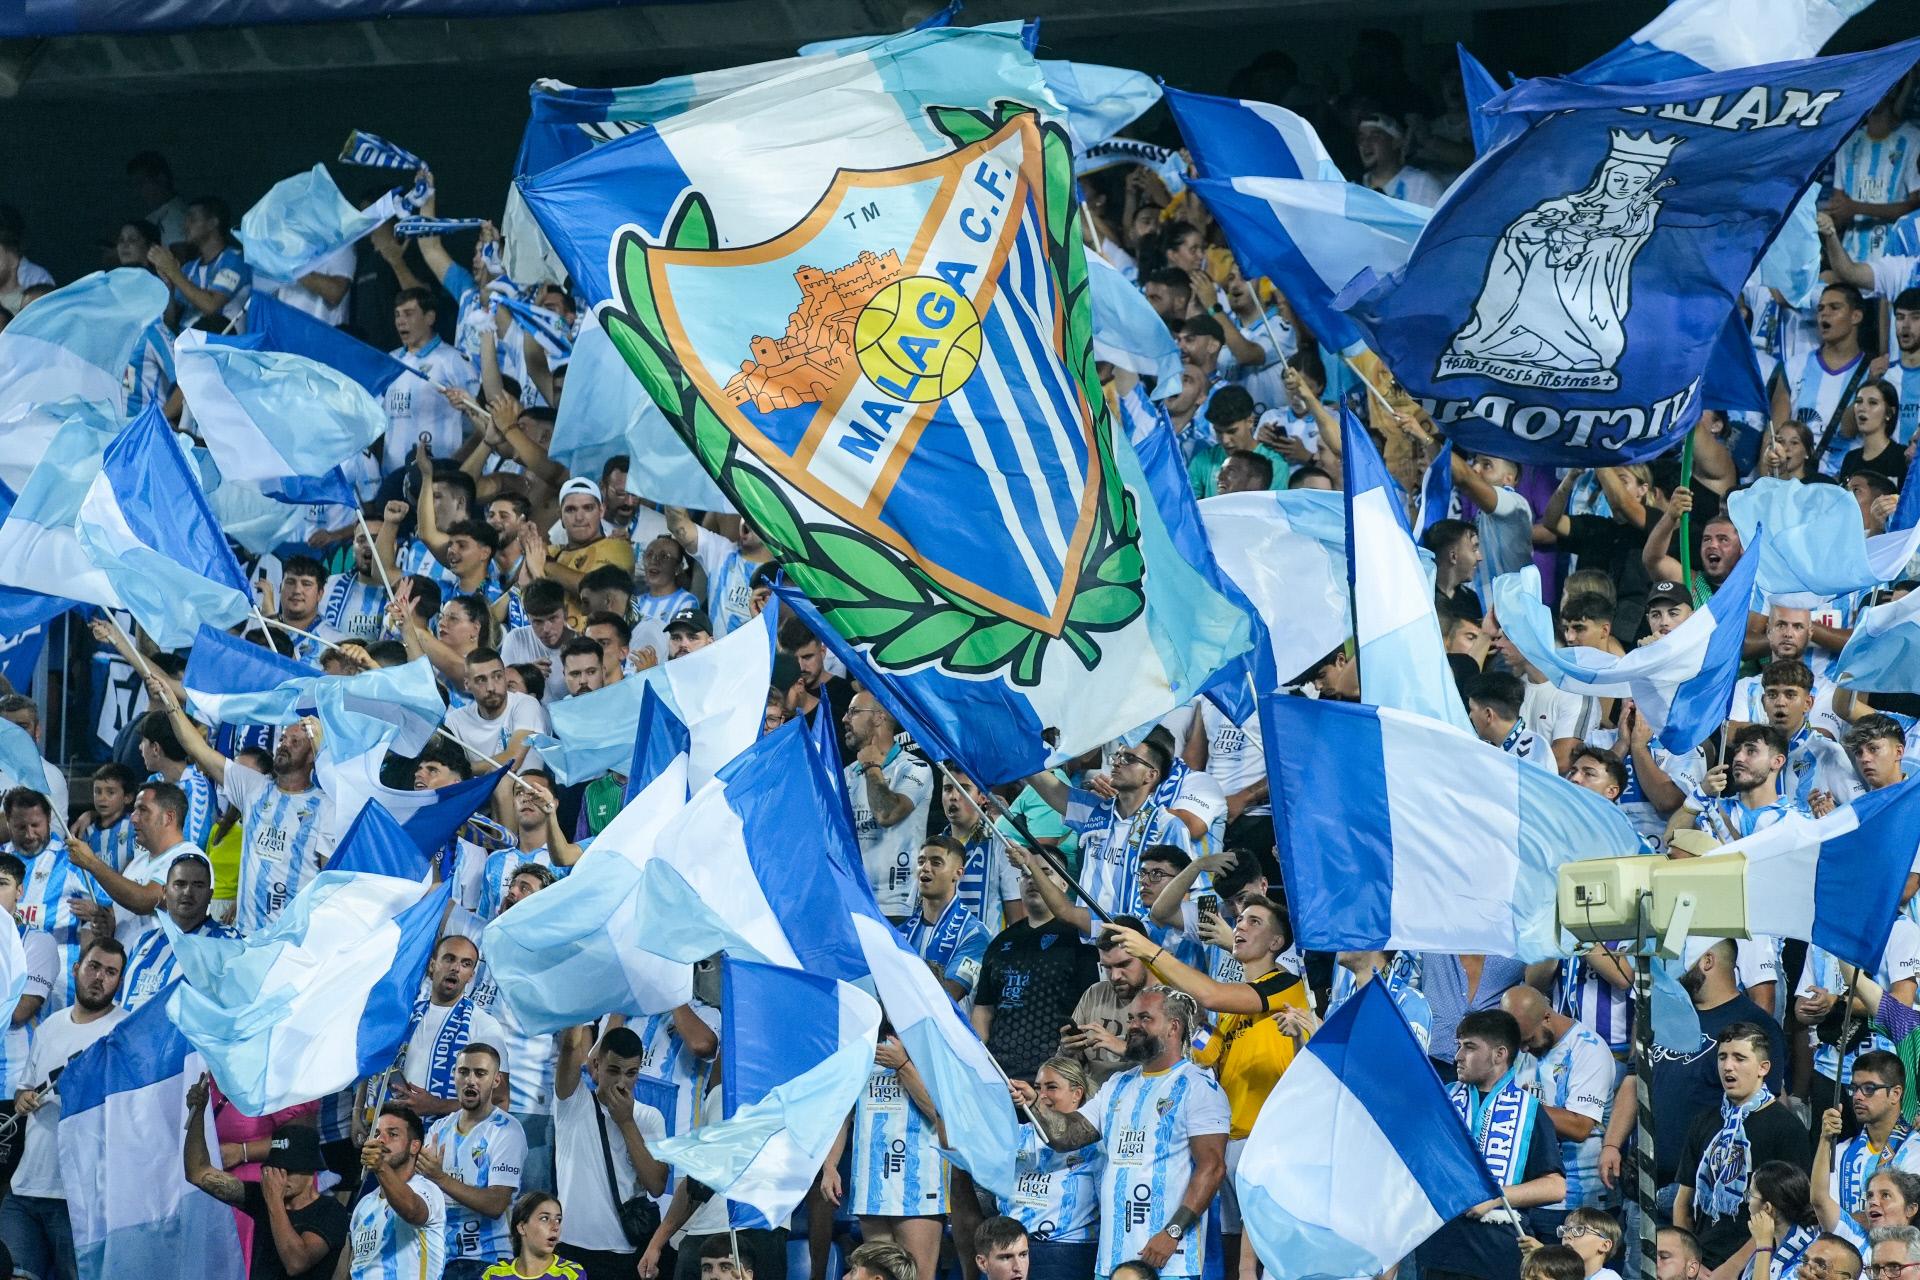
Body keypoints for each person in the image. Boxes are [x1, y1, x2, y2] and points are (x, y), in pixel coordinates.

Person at [1100, 899, 1305, 1280]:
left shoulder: (1284, 984)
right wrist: (1187, 1015)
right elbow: (1207, 1050)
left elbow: (1210, 994)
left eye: (1254, 922)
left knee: (1260, 1257)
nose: (1240, 926)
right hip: (1231, 1134)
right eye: (1240, 919)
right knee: (1230, 1245)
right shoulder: (1231, 1002)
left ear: (1276, 942)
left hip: (1268, 1137)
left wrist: (1151, 953)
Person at [1011, 987, 1229, 1280]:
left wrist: (1172, 1232)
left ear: (1173, 1027)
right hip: (1113, 1260)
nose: (1133, 1025)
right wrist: (1035, 1103)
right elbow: (1067, 1136)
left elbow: (1212, 1167)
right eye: (1131, 1018)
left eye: (1144, 1018)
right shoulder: (1117, 1084)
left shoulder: (1199, 1086)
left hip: (1171, 1259)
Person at [151, 693, 335, 935]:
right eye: (283, 739)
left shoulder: (325, 807)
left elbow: (329, 882)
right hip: (246, 937)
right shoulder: (254, 788)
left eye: (295, 742)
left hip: (290, 942)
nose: (284, 745)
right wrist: (172, 705)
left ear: (313, 755)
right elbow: (197, 747)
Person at [0, 938, 127, 1280]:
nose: (100, 977)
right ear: (76, 969)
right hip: (25, 1188)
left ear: (120, 982)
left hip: (80, 1197)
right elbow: (25, 1090)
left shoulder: (123, 1032)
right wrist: (23, 1099)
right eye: (94, 967)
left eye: (111, 972)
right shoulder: (50, 1026)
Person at [1419, 1009, 1566, 1280]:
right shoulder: (1442, 1100)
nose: (1458, 1057)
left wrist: (1493, 1197)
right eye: (1459, 1046)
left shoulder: (1530, 1111)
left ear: (1499, 1054)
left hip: (1499, 1256)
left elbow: (1555, 1186)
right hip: (1439, 1250)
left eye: (1470, 1047)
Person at [1675, 1025, 1812, 1269]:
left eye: (1740, 1058)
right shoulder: (1704, 1121)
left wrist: (1730, 1270)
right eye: (1722, 1057)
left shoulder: (1787, 1128)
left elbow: (1784, 1217)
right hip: (1700, 1262)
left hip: (1756, 1264)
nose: (1728, 1066)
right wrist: (1690, 1262)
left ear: (1763, 1068)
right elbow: (1683, 1202)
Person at [184, 1078, 349, 1280]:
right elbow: (198, 1173)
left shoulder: (330, 1212)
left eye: (288, 1169)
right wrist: (198, 1113)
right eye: (275, 1166)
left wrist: (274, 1203)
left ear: (309, 1171)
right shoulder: (262, 1197)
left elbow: (296, 1262)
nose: (278, 1175)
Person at [1022, 740, 1192, 928]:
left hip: (1136, 944)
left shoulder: (1168, 826)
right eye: (1117, 756)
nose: (1118, 762)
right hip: (1088, 940)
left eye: (1129, 758)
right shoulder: (1094, 809)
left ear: (1150, 775)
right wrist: (1017, 746)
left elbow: (1185, 892)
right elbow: (1043, 782)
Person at [552, 1024, 668, 1277]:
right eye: (614, 1070)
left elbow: (657, 1186)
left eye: (631, 1073)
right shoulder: (573, 1102)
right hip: (570, 1247)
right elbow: (570, 1046)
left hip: (625, 1251)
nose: (622, 1081)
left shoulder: (650, 1118)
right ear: (596, 1066)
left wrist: (626, 1121)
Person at [971, 862, 1101, 1082]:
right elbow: (983, 1011)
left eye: (1044, 872)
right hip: (1001, 1076)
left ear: (1064, 883)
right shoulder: (1001, 941)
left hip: (1056, 1077)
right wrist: (979, 1062)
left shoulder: (1081, 940)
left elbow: (1093, 1008)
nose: (1032, 879)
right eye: (1025, 874)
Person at [1503, 985, 1616, 1235]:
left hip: (1577, 1201)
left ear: (1547, 1016)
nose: (1523, 1049)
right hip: (1533, 1192)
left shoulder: (1588, 1049)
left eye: (1528, 1039)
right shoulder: (1525, 1050)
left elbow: (1579, 1126)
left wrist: (1517, 1104)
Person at [850, 1027, 950, 1280]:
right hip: (871, 1180)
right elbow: (843, 1112)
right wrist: (830, 1166)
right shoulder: (865, 1044)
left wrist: (903, 1065)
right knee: (874, 1274)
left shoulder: (936, 1049)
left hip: (918, 1181)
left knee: (918, 1276)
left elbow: (940, 1116)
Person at [423, 1044, 527, 1280]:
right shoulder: (439, 1129)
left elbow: (496, 1203)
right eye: (463, 1072)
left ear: (496, 1080)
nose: (470, 1080)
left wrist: (440, 1178)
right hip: (441, 1259)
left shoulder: (507, 1131)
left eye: (480, 1073)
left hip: (487, 1261)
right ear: (454, 1075)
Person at [376, 935, 506, 1121]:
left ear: (471, 976)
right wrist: (358, 1112)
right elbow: (377, 1063)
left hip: (447, 1141)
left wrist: (437, 1106)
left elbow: (500, 1099)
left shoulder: (484, 1025)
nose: (456, 968)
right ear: (432, 965)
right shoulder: (406, 1015)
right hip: (396, 1135)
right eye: (449, 958)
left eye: (466, 963)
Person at [998, 1059, 1100, 1280]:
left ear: (1077, 1094)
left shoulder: (1097, 1144)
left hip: (1067, 1252)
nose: (1042, 1094)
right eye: (1037, 1088)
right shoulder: (1017, 1133)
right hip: (1010, 1248)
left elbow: (1062, 1135)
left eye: (1051, 1087)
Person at [843, 694, 935, 924]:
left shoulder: (914, 768)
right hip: (853, 903)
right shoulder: (846, 774)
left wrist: (871, 766)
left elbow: (887, 813)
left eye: (854, 712)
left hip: (898, 907)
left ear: (879, 717)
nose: (845, 718)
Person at [1812, 1051, 1915, 1239]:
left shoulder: (1915, 1150)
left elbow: (1903, 1219)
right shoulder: (1840, 1152)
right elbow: (1823, 1212)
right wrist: (1825, 1138)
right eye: (1854, 1088)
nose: (1858, 1096)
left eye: (1869, 1088)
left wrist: (1845, 1220)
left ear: (1895, 1093)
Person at [119, 849, 230, 1012]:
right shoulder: (143, 942)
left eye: (198, 885)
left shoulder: (227, 943)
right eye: (180, 884)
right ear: (164, 892)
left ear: (210, 895)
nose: (188, 892)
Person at [384, 287, 481, 472]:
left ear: (430, 318)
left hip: (440, 473)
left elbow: (478, 417)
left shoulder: (453, 360)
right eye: (397, 315)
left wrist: (458, 462)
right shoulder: (391, 360)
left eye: (408, 314)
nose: (400, 321)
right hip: (392, 474)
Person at [352, 1103, 449, 1280]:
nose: (381, 1140)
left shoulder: (426, 1190)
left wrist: (380, 1166)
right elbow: (351, 1266)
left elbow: (412, 1211)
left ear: (414, 1146)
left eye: (393, 1134)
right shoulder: (364, 1205)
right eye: (377, 1133)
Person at [1060, 919, 1151, 1089]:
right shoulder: (1095, 994)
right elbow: (1066, 1069)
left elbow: (1181, 1065)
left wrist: (1124, 1048)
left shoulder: (1168, 1000)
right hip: (1094, 1104)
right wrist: (1068, 1053)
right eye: (1107, 967)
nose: (1115, 976)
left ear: (1145, 955)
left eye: (1123, 964)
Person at [901, 837, 992, 1000]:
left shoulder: (975, 934)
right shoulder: (900, 933)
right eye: (921, 861)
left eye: (936, 863)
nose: (925, 868)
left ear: (958, 873)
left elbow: (950, 994)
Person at [1468, 671, 1559, 770]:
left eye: (1472, 709)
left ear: (1488, 714)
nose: (1470, 716)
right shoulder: (1486, 746)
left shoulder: (1535, 749)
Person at [480, 1192, 577, 1279]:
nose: (555, 1227)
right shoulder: (494, 1274)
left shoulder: (570, 1273)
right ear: (522, 1227)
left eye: (558, 1220)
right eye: (544, 1219)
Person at [1557, 1208, 1625, 1280]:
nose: (1566, 1235)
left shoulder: (1608, 1278)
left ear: (1604, 1245)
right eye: (1566, 1229)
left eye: (1579, 1230)